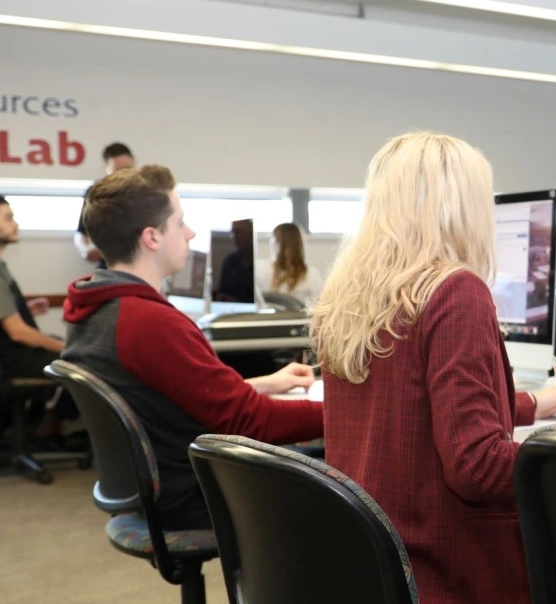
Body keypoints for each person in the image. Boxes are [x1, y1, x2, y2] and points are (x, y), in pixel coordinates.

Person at [312, 132, 556, 604]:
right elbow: (475, 467)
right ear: (460, 208)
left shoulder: (348, 297)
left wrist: (532, 405)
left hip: (375, 562)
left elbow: (415, 406)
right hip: (446, 570)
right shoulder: (455, 291)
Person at [62, 165, 323, 530]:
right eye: (180, 222)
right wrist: (347, 411)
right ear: (152, 237)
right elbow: (250, 421)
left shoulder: (97, 308)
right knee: (338, 473)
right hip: (196, 493)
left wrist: (264, 383)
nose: (191, 233)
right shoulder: (150, 322)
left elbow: (163, 401)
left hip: (159, 485)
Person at [0, 197, 81, 438]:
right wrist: (63, 347)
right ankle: (48, 424)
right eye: (8, 218)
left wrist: (26, 308)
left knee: (69, 348)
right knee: (84, 360)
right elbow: (18, 332)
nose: (16, 224)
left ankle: (35, 427)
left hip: (10, 356)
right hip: (12, 360)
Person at [75, 143, 136, 268]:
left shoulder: (146, 192)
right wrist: (85, 250)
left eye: (128, 169)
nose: (123, 175)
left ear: (134, 163)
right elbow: (81, 232)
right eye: (117, 171)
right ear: (106, 168)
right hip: (109, 265)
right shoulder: (97, 192)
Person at [256, 222, 324, 305]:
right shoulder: (312, 275)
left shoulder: (259, 269)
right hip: (298, 317)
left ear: (276, 243)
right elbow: (317, 307)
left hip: (267, 317)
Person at [215, 218, 255, 303]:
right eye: (232, 232)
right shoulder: (230, 260)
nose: (234, 237)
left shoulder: (258, 262)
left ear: (251, 234)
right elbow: (222, 290)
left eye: (238, 232)